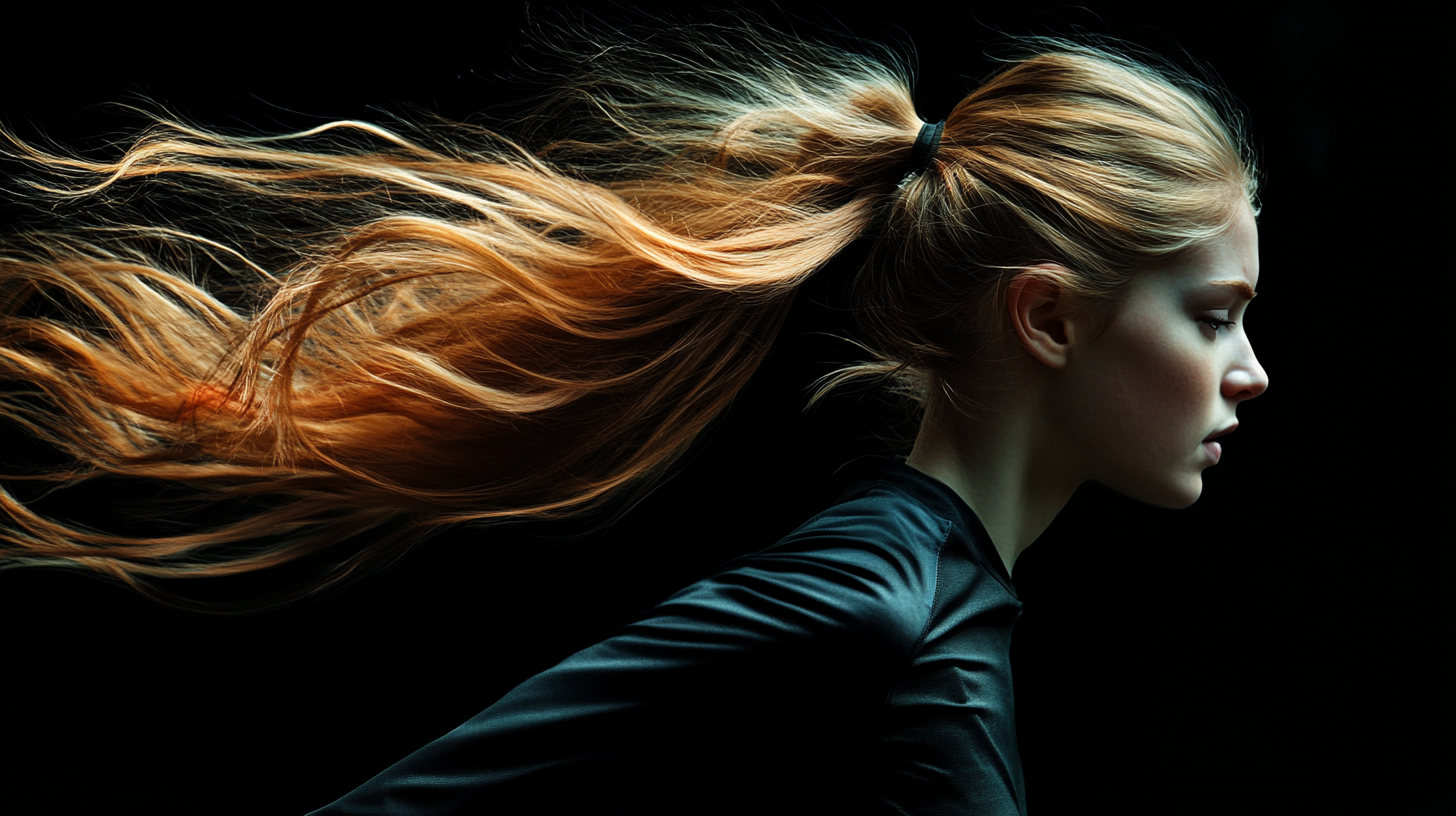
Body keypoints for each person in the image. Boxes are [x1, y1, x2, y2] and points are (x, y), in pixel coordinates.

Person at [0, 19, 1265, 816]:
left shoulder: (925, 599)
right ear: (1045, 318)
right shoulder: (870, 598)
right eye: (1213, 316)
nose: (1251, 370)